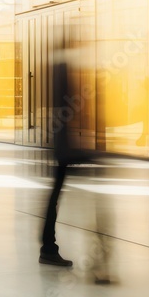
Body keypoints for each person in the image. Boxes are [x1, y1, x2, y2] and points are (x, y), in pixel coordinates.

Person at [40, 44, 94, 267]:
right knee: (55, 196)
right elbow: (67, 111)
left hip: (64, 146)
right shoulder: (63, 72)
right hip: (64, 147)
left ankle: (48, 246)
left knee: (55, 196)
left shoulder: (59, 71)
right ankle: (48, 247)